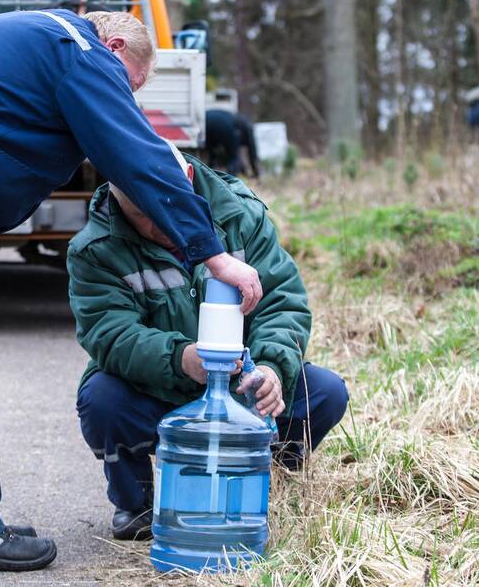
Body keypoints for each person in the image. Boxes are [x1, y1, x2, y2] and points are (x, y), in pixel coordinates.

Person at [0, 9, 263, 573]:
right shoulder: (79, 51)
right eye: (129, 85)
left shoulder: (26, 34)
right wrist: (212, 253)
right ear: (114, 47)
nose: (124, 99)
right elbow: (137, 155)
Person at [68, 145, 348, 541]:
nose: (153, 225)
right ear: (117, 197)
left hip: (240, 387)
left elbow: (282, 301)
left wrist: (270, 369)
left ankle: (266, 476)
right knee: (102, 400)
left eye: (162, 208)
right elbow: (110, 334)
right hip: (161, 390)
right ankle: (138, 503)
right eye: (139, 214)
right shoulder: (95, 249)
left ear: (186, 184)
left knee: (325, 393)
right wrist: (181, 358)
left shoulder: (239, 215)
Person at [205, 109, 260, 177]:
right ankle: (231, 181)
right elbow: (252, 149)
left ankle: (208, 176)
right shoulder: (245, 126)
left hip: (204, 122)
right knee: (233, 158)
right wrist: (256, 173)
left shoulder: (236, 118)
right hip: (224, 126)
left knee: (212, 155)